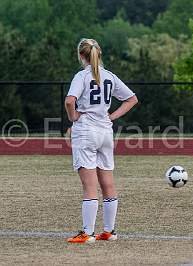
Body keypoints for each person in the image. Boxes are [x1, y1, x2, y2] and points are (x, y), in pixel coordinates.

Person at [65, 38, 138, 243]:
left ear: (81, 55)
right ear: (100, 54)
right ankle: (109, 231)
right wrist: (112, 116)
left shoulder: (82, 76)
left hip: (86, 131)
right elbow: (132, 98)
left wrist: (73, 117)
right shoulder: (109, 76)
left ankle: (87, 233)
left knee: (89, 186)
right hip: (105, 132)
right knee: (108, 184)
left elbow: (70, 101)